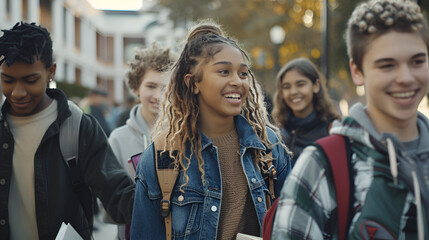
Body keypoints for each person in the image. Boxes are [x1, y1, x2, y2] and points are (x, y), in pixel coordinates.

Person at [272, 0, 429, 239]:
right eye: (387, 65)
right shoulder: (320, 164)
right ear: (357, 71)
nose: (406, 78)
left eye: (418, 61)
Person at [131, 20, 291, 239]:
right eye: (224, 71)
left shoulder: (269, 147)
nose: (237, 81)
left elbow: (291, 226)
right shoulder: (161, 158)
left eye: (243, 74)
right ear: (193, 83)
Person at [0, 22, 135, 240]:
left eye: (30, 80)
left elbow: (118, 195)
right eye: (7, 80)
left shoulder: (78, 126)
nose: (17, 92)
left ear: (50, 71)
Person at [108, 42, 176, 239]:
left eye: (166, 87)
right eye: (151, 86)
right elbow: (108, 203)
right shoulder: (118, 139)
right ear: (136, 88)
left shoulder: (185, 137)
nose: (158, 95)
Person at [271, 57, 340, 166]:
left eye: (300, 84)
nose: (293, 92)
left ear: (316, 86)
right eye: (286, 87)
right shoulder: (277, 136)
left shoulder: (332, 131)